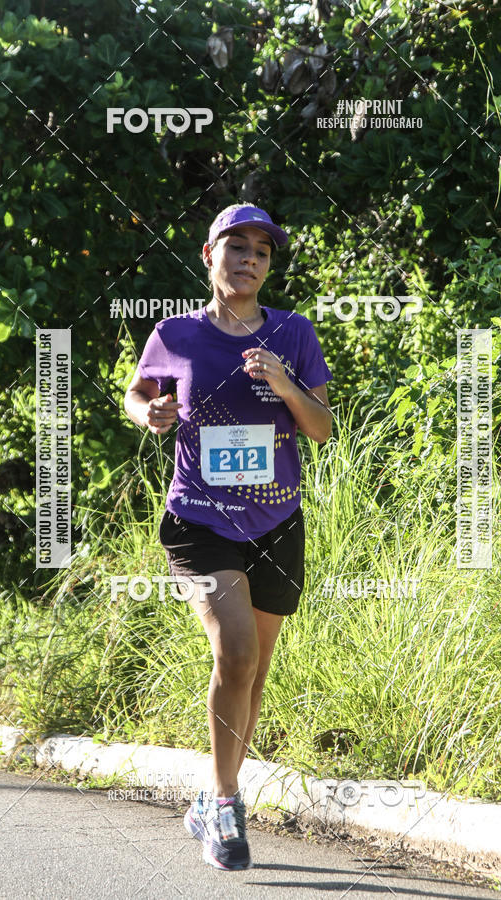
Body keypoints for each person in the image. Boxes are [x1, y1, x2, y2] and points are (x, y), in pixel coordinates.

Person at [123, 203, 333, 870]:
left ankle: (210, 798)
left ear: (269, 266)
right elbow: (138, 394)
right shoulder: (176, 335)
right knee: (236, 651)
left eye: (262, 252)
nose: (249, 258)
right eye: (235, 246)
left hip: (276, 520)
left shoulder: (294, 335)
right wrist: (150, 413)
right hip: (200, 522)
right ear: (208, 254)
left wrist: (282, 380)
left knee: (254, 670)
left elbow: (323, 428)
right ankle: (223, 802)